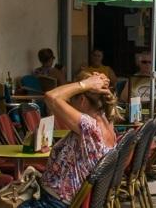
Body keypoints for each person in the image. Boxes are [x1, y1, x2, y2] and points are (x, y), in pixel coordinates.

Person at [22, 72, 118, 207]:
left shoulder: (89, 126)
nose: (68, 104)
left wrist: (86, 84)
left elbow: (51, 97)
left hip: (54, 202)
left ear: (82, 100)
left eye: (71, 99)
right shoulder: (107, 121)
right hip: (67, 199)